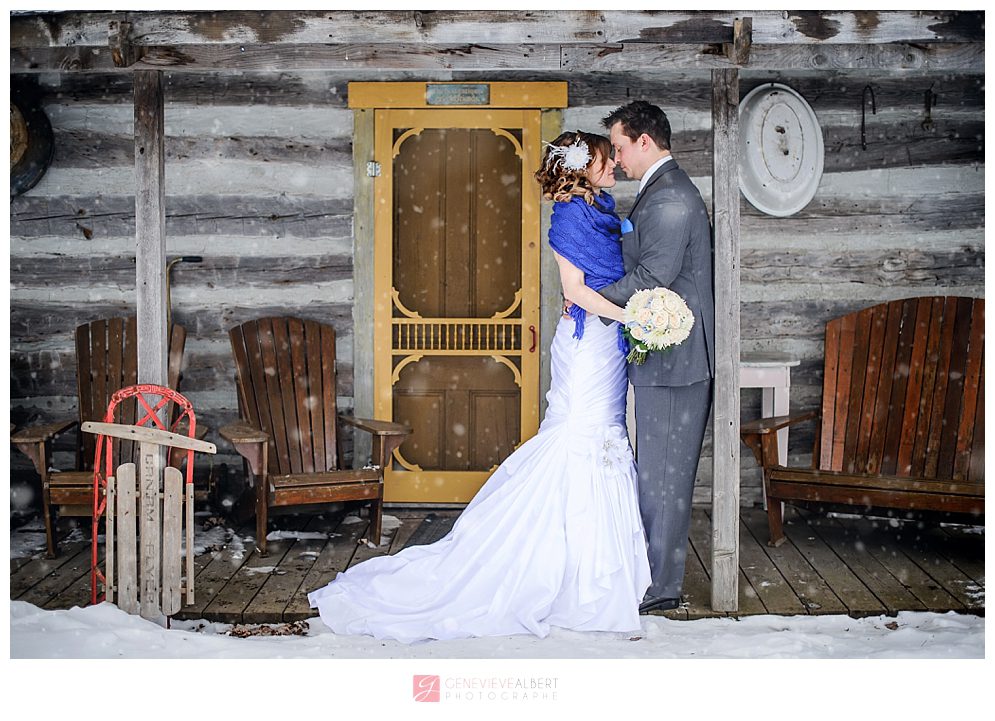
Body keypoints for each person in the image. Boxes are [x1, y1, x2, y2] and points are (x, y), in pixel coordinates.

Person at [306, 131, 650, 643]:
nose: (614, 166)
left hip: (607, 344)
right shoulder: (569, 218)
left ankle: (592, 573)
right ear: (583, 167)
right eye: (605, 160)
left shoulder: (601, 209)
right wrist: (634, 317)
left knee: (602, 440)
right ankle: (554, 572)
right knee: (580, 441)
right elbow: (576, 289)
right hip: (586, 342)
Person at [597, 100, 715, 613]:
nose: (617, 159)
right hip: (667, 360)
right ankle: (653, 577)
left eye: (620, 147)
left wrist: (594, 305)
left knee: (664, 476)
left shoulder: (668, 200)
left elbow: (651, 279)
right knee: (659, 473)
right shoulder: (660, 193)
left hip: (675, 363)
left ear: (645, 141)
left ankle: (661, 588)